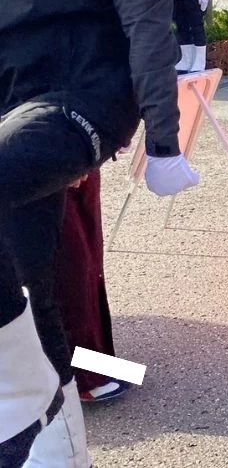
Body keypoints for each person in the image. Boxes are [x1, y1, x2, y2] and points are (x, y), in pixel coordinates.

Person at [0, 0, 200, 462]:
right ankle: (56, 432)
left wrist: (165, 144)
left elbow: (150, 27)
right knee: (31, 280)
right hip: (5, 99)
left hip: (77, 98)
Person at [53, 171, 129, 404]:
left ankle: (93, 361)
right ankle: (80, 376)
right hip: (39, 154)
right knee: (69, 260)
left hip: (72, 146)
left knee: (87, 257)